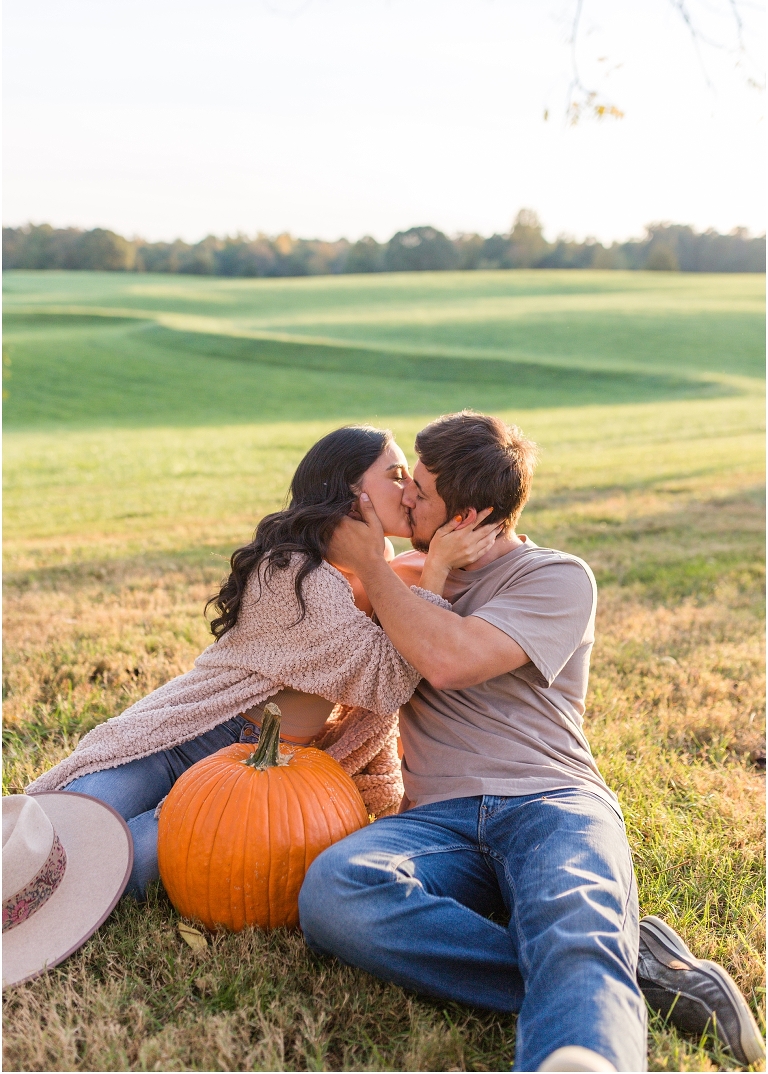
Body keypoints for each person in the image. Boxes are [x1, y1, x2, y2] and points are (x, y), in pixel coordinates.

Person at [300, 410, 765, 1073]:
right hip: (438, 822)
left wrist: (375, 569)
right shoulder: (408, 578)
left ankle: (582, 1045)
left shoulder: (557, 578)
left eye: (422, 492)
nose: (405, 498)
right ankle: (631, 969)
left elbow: (450, 659)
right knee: (336, 892)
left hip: (551, 802)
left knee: (573, 922)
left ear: (468, 516)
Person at [26, 425, 496, 901]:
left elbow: (396, 667)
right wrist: (432, 571)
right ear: (352, 492)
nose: (410, 492)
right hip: (193, 735)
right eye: (396, 476)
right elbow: (385, 679)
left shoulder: (383, 563)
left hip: (261, 770)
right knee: (57, 825)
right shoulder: (291, 568)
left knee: (119, 872)